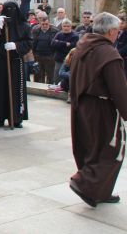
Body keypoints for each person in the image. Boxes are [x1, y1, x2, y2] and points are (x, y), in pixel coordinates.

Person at [69, 12, 127, 207]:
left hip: (84, 105)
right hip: (102, 108)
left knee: (93, 148)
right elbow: (119, 88)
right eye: (117, 31)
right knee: (110, 150)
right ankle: (84, 183)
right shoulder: (109, 53)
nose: (118, 34)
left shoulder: (83, 46)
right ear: (111, 31)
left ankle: (101, 192)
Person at [0, 2, 32, 128]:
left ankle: (16, 118)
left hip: (15, 62)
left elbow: (28, 42)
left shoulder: (24, 26)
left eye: (12, 9)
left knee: (15, 91)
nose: (10, 11)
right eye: (7, 9)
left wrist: (16, 46)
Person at [31, 11, 58, 83]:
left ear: (49, 23)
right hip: (38, 55)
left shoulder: (55, 31)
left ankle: (49, 89)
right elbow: (33, 43)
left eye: (46, 24)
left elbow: (56, 44)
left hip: (50, 56)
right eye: (43, 24)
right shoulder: (35, 30)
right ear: (40, 24)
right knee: (38, 74)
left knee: (50, 75)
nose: (45, 26)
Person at [51, 19, 79, 83]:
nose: (66, 28)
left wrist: (59, 43)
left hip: (69, 61)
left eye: (68, 26)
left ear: (71, 26)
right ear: (62, 26)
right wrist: (65, 44)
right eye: (64, 26)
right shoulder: (59, 34)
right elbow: (52, 44)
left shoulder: (75, 36)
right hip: (59, 59)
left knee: (66, 79)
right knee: (57, 78)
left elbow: (72, 47)